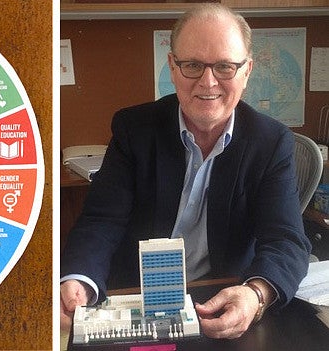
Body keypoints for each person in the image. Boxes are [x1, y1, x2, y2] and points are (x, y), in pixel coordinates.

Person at [60, 3, 311, 339]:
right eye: (193, 65)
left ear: (247, 70)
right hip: (136, 301)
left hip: (220, 298)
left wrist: (255, 294)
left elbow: (285, 240)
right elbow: (101, 221)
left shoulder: (271, 141)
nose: (208, 82)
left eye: (225, 66)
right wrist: (79, 278)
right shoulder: (134, 129)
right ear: (172, 67)